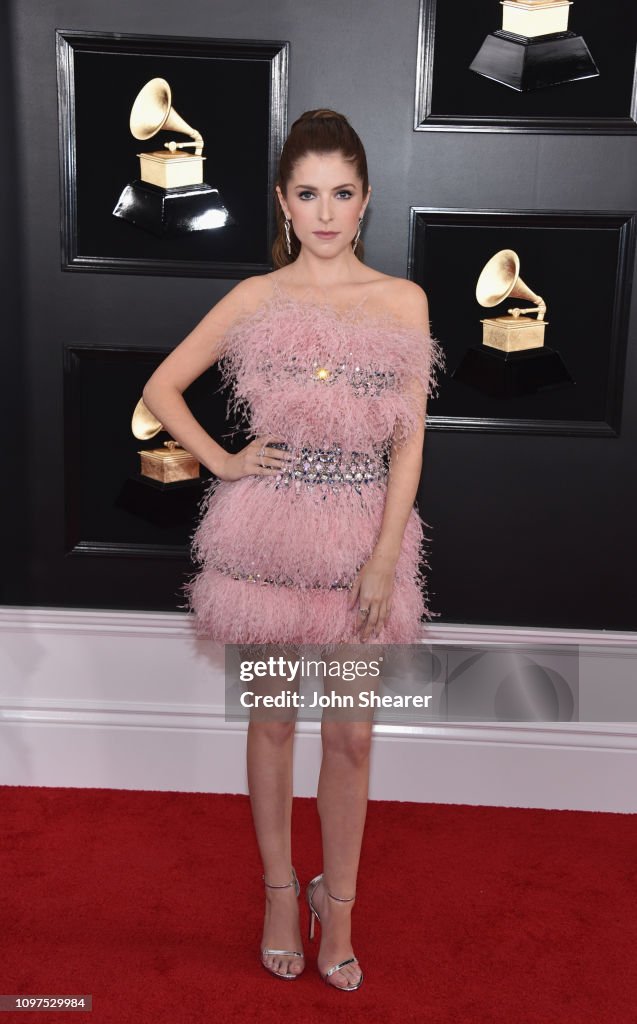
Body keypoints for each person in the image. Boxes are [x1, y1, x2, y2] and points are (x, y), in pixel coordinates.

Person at [142, 109, 445, 991]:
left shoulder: (402, 301)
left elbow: (410, 442)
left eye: (341, 194)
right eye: (307, 194)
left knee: (349, 738)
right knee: (273, 720)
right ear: (283, 201)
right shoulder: (255, 297)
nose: (324, 212)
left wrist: (386, 553)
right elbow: (161, 386)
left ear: (365, 201)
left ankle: (336, 904)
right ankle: (280, 894)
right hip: (266, 540)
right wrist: (226, 460)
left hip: (361, 539)